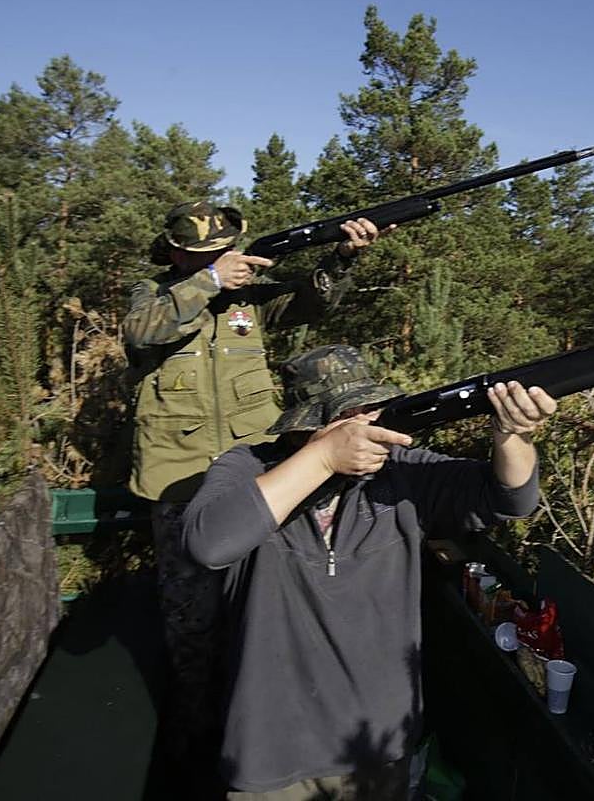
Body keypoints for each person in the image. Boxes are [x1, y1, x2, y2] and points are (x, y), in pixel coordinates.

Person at [182, 344, 557, 799]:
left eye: (371, 410)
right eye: (347, 415)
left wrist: (510, 435)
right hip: (272, 748)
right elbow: (209, 543)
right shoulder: (247, 466)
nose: (367, 425)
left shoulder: (401, 473)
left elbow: (509, 499)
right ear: (307, 424)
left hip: (378, 742)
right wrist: (322, 460)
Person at [122, 201, 387, 792]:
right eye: (203, 256)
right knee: (192, 624)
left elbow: (309, 303)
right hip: (179, 482)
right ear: (174, 254)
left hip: (254, 479)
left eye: (224, 252)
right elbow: (141, 333)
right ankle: (192, 750)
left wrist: (341, 257)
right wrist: (209, 282)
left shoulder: (248, 302)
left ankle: (262, 740)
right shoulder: (154, 295)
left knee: (265, 613)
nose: (220, 260)